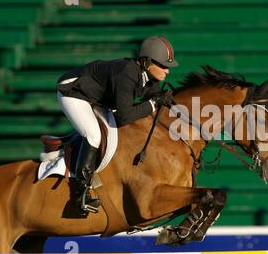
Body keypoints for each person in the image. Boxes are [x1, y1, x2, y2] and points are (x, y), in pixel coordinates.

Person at [56, 36, 177, 214]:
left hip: (95, 99)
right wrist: (152, 104)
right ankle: (79, 195)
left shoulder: (149, 76)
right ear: (146, 61)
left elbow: (155, 98)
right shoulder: (127, 73)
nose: (167, 70)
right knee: (93, 135)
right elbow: (124, 117)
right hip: (73, 92)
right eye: (163, 65)